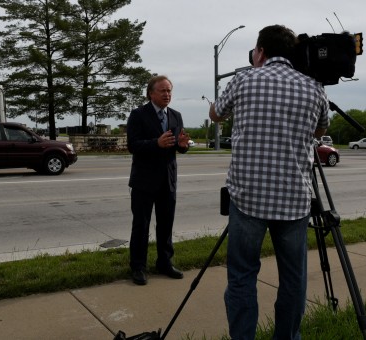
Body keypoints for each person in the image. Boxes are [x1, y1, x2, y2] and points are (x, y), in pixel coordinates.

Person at [209, 25, 329, 339]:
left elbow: (216, 114)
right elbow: (320, 131)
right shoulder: (314, 87)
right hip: (294, 201)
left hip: (247, 198)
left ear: (260, 52)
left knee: (242, 277)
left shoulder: (244, 79)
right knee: (293, 280)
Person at [126, 75, 191, 285]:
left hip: (168, 181)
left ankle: (164, 262)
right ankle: (138, 267)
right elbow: (133, 145)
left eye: (169, 91)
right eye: (163, 91)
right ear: (151, 93)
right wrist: (156, 143)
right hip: (144, 181)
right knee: (141, 226)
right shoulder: (138, 115)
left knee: (166, 224)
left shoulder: (176, 116)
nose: (167, 94)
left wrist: (183, 145)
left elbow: (179, 147)